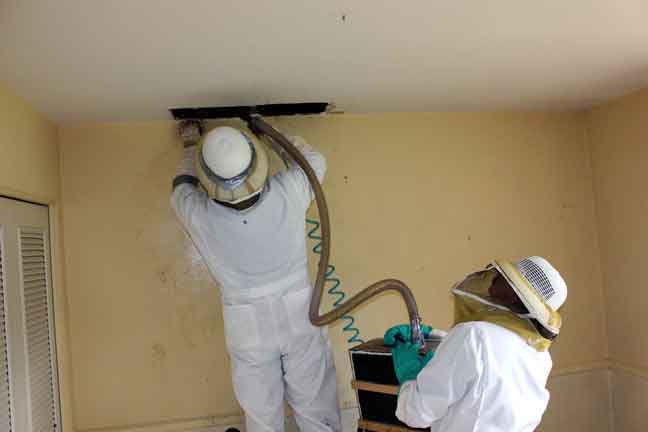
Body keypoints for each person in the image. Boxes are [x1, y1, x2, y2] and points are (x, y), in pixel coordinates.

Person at [171, 124, 341, 432]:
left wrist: (190, 145)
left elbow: (181, 187)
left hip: (247, 322)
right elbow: (312, 160)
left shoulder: (200, 214)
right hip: (299, 313)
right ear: (256, 166)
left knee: (262, 417)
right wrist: (271, 133)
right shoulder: (290, 190)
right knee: (316, 409)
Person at [385, 256, 567, 432]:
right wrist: (436, 336)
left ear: (514, 295)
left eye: (506, 277)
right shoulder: (539, 355)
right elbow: (486, 363)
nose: (495, 276)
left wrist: (409, 376)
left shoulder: (473, 336)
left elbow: (416, 413)